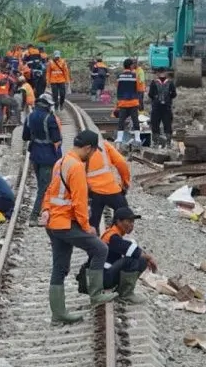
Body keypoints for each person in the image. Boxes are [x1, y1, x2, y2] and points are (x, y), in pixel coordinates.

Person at [42, 129, 117, 324]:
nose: (92, 157)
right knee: (101, 248)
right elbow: (79, 202)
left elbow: (50, 190)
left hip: (54, 224)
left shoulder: (61, 162)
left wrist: (45, 209)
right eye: (92, 153)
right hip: (65, 223)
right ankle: (96, 294)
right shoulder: (76, 167)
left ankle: (58, 314)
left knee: (59, 267)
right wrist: (86, 227)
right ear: (87, 148)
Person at [76, 206, 156, 302]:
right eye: (129, 221)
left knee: (138, 258)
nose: (132, 225)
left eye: (133, 222)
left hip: (103, 275)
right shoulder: (112, 237)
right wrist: (149, 258)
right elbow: (131, 250)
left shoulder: (113, 233)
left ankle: (122, 291)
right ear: (118, 222)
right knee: (136, 260)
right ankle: (126, 294)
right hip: (103, 278)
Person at [22, 93, 63, 226]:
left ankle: (46, 211)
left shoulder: (30, 116)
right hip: (48, 157)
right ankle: (34, 216)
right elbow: (56, 139)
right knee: (44, 187)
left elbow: (25, 136)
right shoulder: (49, 118)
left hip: (35, 155)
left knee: (42, 185)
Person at [87, 130, 132, 233]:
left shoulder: (81, 150)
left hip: (92, 190)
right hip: (110, 189)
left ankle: (94, 241)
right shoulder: (104, 145)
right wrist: (125, 182)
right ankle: (112, 235)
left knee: (93, 220)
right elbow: (121, 163)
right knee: (124, 211)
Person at [115, 59, 143, 145]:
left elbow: (117, 87)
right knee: (135, 120)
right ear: (130, 66)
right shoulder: (135, 76)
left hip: (123, 102)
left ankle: (119, 138)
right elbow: (139, 89)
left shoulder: (119, 76)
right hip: (133, 102)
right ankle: (137, 138)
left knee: (121, 120)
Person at [147, 67, 176, 145]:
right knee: (167, 124)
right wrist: (168, 98)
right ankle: (168, 142)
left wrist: (156, 98)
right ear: (165, 73)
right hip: (167, 107)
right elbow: (174, 94)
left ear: (157, 73)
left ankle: (156, 142)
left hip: (156, 107)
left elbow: (150, 94)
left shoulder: (154, 82)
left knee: (155, 124)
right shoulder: (170, 82)